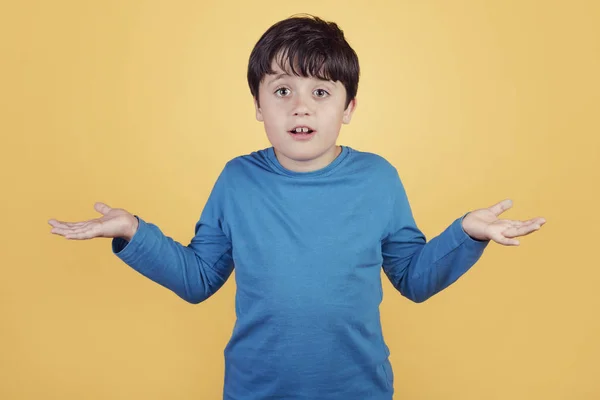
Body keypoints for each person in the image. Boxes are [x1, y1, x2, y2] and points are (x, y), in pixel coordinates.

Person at [48, 14, 546, 400]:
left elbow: (414, 279)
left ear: (348, 108)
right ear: (259, 107)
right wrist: (133, 230)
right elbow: (198, 279)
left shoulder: (377, 179)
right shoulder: (237, 179)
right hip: (255, 391)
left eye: (321, 92)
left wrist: (467, 232)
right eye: (282, 90)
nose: (300, 106)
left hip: (359, 391)